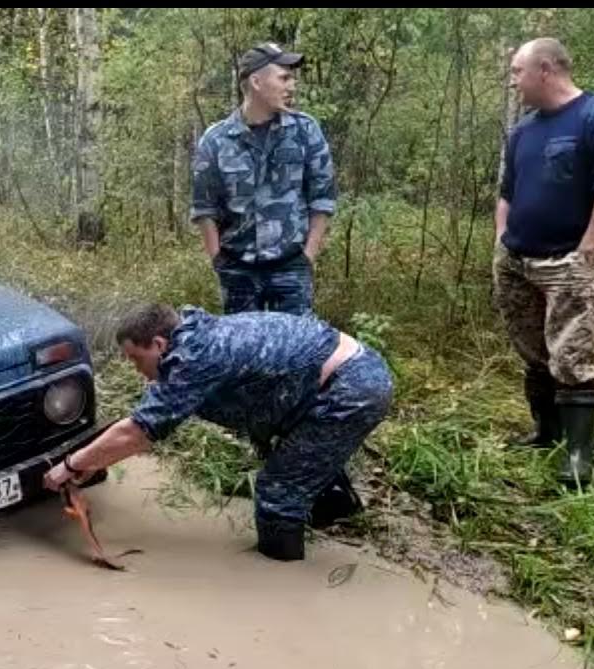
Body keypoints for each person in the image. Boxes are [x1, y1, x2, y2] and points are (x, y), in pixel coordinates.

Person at [42, 304, 392, 561]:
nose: (138, 370)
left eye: (136, 359)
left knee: (276, 492)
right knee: (294, 456)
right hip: (334, 382)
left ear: (160, 345)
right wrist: (92, 458)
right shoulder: (193, 337)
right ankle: (338, 513)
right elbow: (143, 419)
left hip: (351, 388)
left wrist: (71, 466)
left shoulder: (197, 359)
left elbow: (138, 432)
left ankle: (280, 577)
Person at [494, 37, 594, 487]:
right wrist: (502, 242)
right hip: (517, 260)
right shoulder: (524, 129)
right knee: (535, 351)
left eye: (518, 71)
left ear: (546, 70)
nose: (513, 81)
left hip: (569, 263)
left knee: (573, 355)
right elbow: (507, 192)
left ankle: (578, 457)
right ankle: (546, 433)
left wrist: (588, 251)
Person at [190, 42, 336, 316]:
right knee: (244, 355)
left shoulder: (305, 131)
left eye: (292, 78)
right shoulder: (217, 140)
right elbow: (204, 206)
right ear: (256, 81)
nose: (291, 86)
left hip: (291, 266)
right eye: (284, 77)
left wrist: (309, 255)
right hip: (237, 269)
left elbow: (323, 198)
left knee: (295, 353)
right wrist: (217, 259)